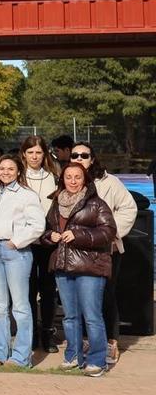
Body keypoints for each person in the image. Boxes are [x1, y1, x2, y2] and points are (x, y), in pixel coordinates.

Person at [45, 161, 115, 377]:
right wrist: (51, 236)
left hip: (90, 267)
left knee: (92, 316)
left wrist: (79, 235)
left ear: (85, 179)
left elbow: (108, 231)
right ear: (62, 179)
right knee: (70, 316)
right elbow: (47, 229)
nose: (73, 181)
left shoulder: (96, 203)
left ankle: (97, 360)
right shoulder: (56, 203)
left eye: (77, 177)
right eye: (68, 177)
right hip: (63, 265)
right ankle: (73, 355)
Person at [70, 142, 137, 367]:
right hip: (78, 250)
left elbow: (129, 208)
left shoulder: (109, 182)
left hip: (105, 249)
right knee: (81, 298)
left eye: (84, 155)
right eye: (75, 155)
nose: (79, 158)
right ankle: (89, 341)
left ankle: (110, 341)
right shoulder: (69, 182)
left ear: (93, 158)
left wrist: (108, 232)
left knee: (106, 295)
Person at [0, 153, 45, 368]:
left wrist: (16, 241)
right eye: (2, 168)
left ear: (18, 171)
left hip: (15, 252)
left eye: (10, 169)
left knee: (20, 305)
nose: (5, 172)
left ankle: (21, 356)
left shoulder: (26, 195)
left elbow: (37, 225)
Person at [21, 135, 60, 353]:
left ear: (44, 154)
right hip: (25, 241)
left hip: (47, 241)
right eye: (30, 152)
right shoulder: (18, 176)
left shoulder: (53, 176)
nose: (34, 156)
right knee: (27, 290)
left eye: (38, 152)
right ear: (24, 154)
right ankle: (31, 333)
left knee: (47, 289)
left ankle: (47, 331)